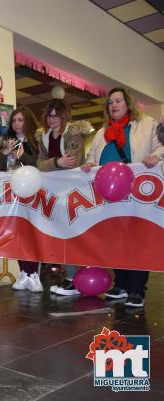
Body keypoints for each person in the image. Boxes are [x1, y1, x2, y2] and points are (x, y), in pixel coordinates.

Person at [81, 88, 164, 308]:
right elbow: (91, 157)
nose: (114, 105)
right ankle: (121, 284)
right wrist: (89, 164)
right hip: (108, 195)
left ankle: (136, 289)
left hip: (136, 193)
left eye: (118, 101)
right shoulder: (102, 132)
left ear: (128, 103)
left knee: (137, 240)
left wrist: (155, 156)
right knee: (115, 239)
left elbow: (160, 146)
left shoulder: (147, 124)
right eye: (110, 102)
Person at [37, 99, 91, 296]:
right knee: (62, 235)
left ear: (64, 115)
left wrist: (53, 163)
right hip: (54, 192)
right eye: (49, 115)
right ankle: (70, 278)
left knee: (76, 234)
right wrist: (57, 161)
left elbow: (73, 161)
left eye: (56, 115)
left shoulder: (73, 133)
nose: (52, 119)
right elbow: (39, 164)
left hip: (74, 192)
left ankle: (77, 278)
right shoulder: (44, 136)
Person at [0, 106, 43, 292]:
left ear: (27, 121)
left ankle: (34, 274)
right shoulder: (7, 142)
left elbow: (39, 165)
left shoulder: (35, 141)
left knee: (32, 233)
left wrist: (23, 155)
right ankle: (23, 273)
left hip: (32, 193)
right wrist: (4, 155)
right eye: (14, 120)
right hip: (12, 194)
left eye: (20, 120)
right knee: (18, 233)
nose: (16, 123)